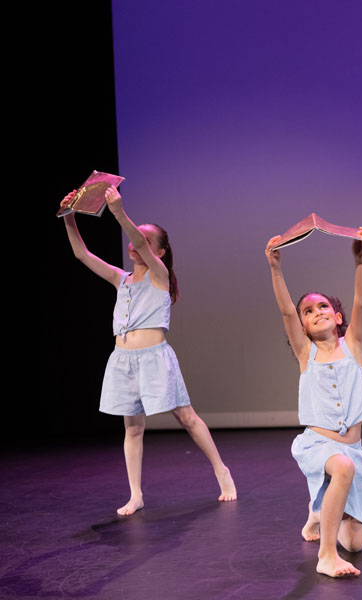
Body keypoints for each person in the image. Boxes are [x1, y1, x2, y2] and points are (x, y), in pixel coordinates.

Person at [60, 187, 236, 516]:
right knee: (133, 428)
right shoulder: (121, 278)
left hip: (154, 358)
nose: (135, 242)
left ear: (160, 252)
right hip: (123, 361)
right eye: (134, 236)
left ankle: (221, 471)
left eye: (144, 239)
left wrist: (118, 212)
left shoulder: (160, 275)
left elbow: (140, 244)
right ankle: (136, 495)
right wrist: (69, 215)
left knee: (186, 417)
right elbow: (82, 255)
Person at [265, 228, 362, 578]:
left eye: (323, 306)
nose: (317, 312)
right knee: (341, 467)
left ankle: (319, 511)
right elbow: (286, 311)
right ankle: (326, 556)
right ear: (303, 327)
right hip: (319, 445)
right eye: (308, 311)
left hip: (353, 449)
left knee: (355, 544)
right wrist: (276, 269)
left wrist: (360, 261)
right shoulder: (306, 353)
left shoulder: (352, 345)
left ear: (338, 317)